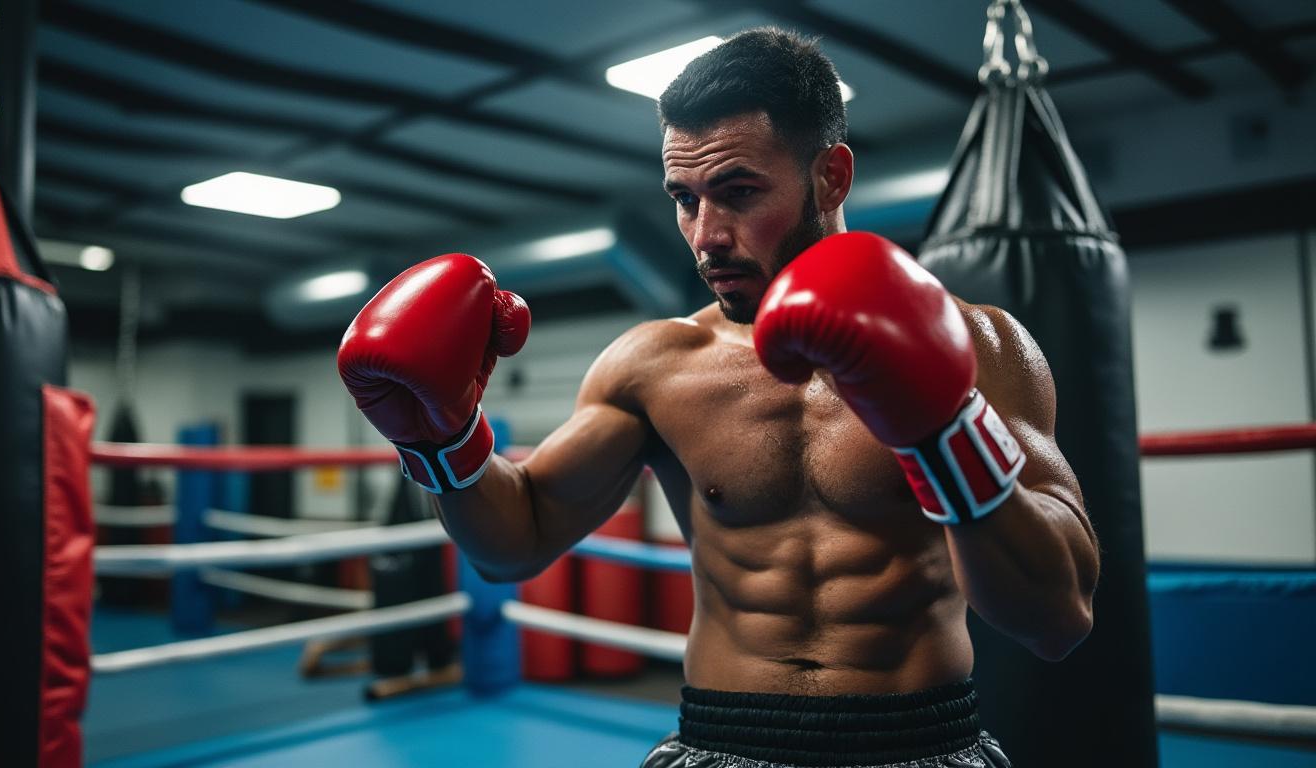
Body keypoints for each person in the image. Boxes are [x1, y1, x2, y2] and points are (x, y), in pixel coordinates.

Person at [337, 27, 1098, 768]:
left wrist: (944, 430)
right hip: (722, 741)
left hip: (918, 742)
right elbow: (516, 540)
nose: (706, 236)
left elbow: (1059, 616)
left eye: (737, 192)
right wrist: (442, 442)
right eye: (684, 197)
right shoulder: (656, 365)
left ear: (830, 176)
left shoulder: (981, 347)